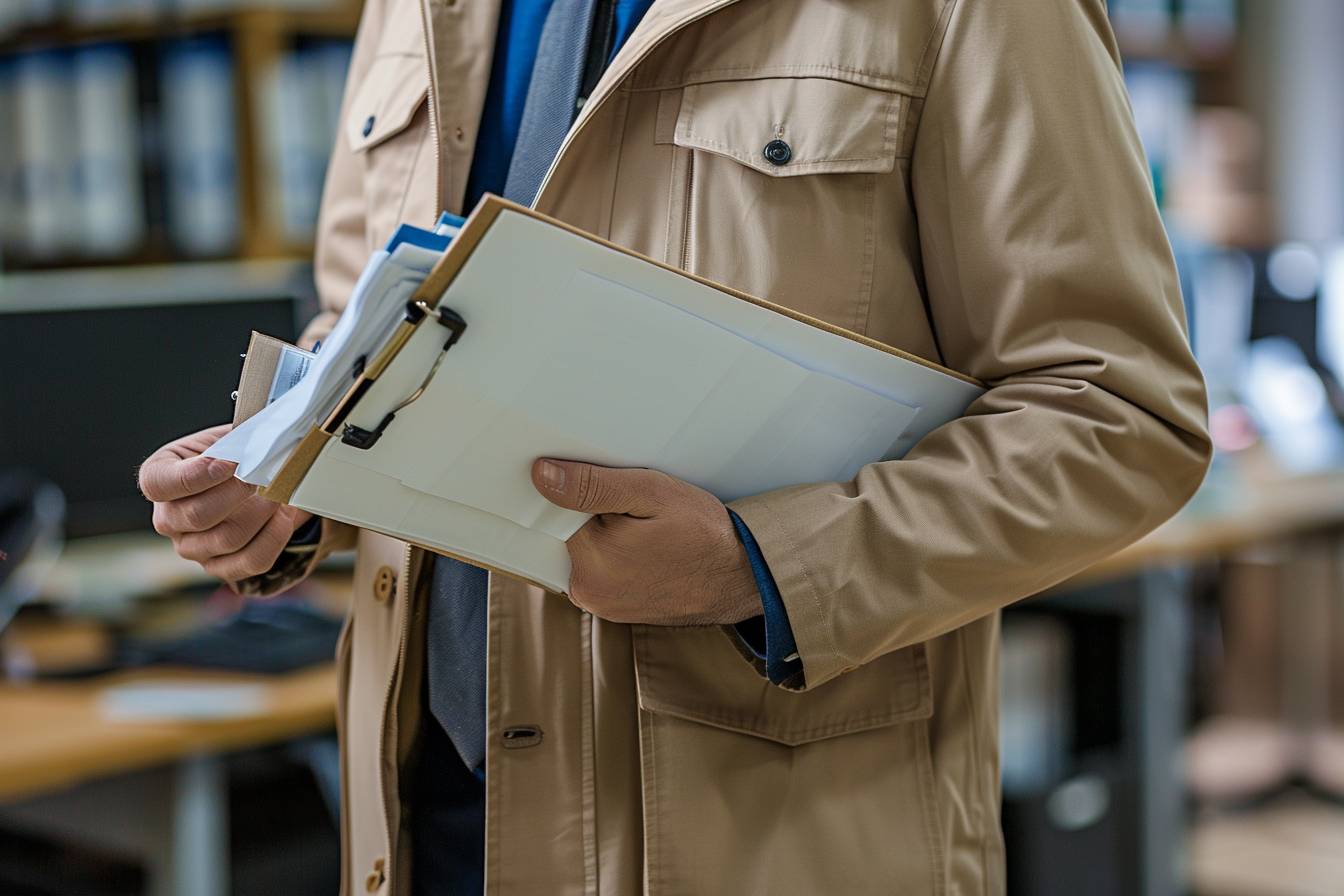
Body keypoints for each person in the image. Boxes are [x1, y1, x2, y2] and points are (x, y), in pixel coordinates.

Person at [139, 0, 1212, 892]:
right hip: (423, 829)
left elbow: (1121, 414)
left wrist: (764, 563)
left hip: (755, 841)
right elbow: (371, 323)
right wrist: (282, 471)